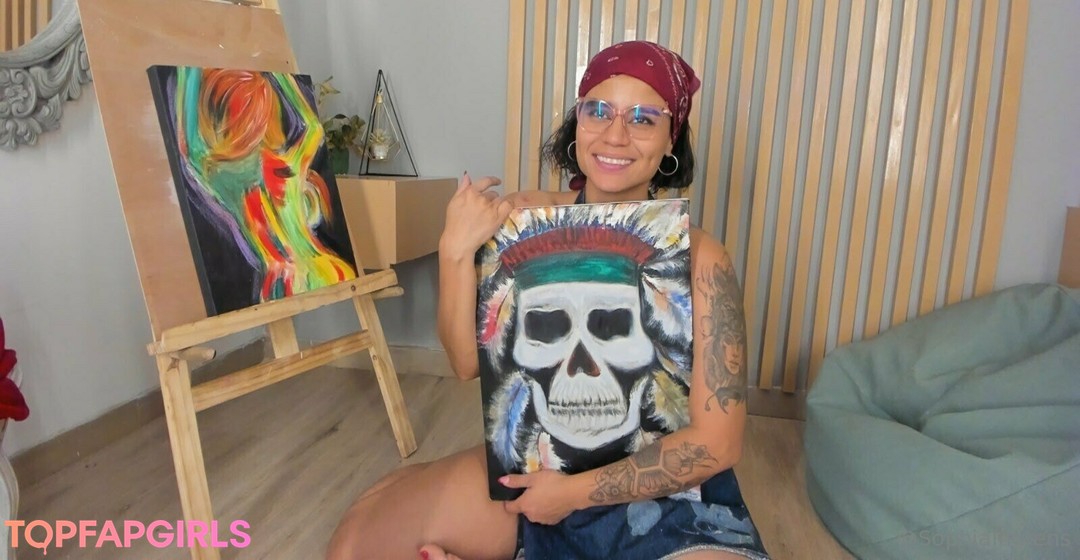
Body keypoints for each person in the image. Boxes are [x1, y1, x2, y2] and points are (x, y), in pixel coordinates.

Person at [326, 40, 769, 560]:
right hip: (539, 474)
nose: (615, 135)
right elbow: (467, 361)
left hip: (665, 493)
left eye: (643, 119)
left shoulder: (702, 258)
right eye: (597, 111)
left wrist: (574, 495)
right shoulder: (521, 221)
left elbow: (719, 442)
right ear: (577, 122)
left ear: (671, 138)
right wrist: (454, 252)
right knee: (357, 544)